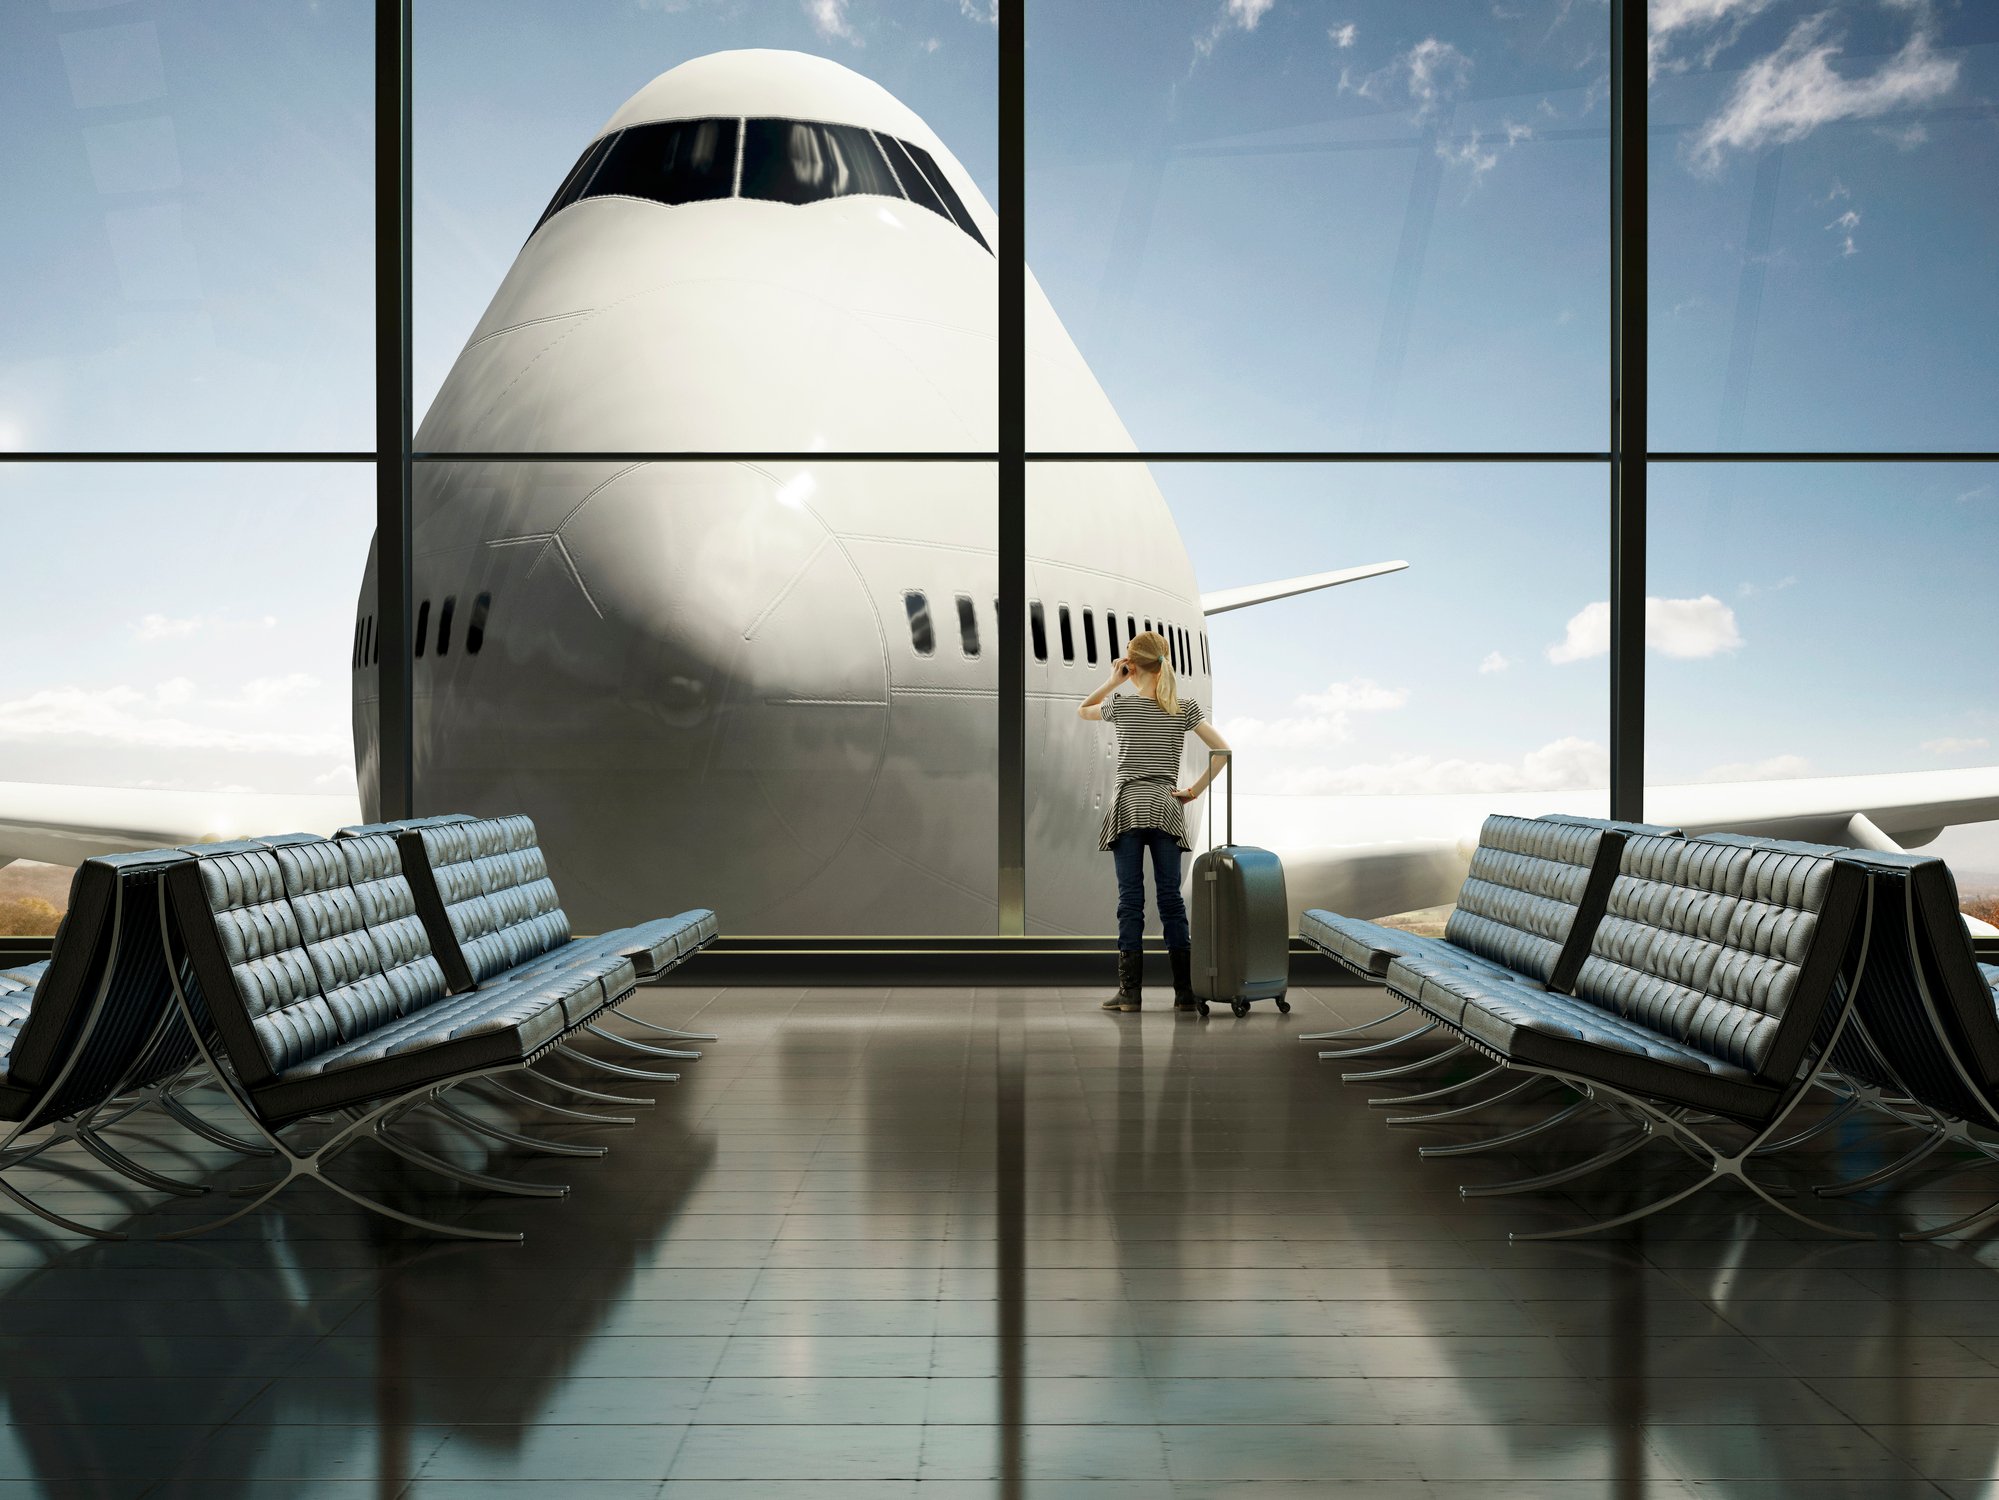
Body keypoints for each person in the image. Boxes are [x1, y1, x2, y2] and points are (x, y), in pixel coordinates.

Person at [1077, 629, 1231, 1013]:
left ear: (1131, 663)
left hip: (1129, 805)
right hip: (1165, 805)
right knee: (1171, 901)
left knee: (1130, 901)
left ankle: (1130, 994)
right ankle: (1185, 993)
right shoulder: (1184, 708)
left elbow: (1083, 709)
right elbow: (1223, 751)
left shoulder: (1123, 705)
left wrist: (1113, 681)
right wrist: (1193, 791)